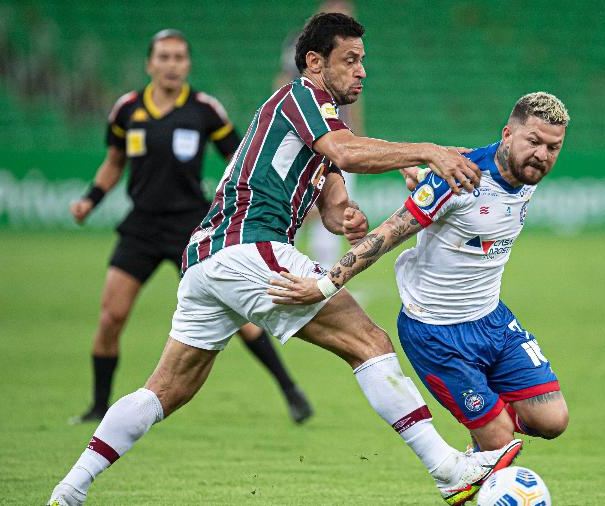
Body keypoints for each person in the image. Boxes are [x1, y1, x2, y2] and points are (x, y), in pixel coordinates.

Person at [48, 13, 520, 506]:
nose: (362, 72)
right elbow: (348, 151)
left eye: (364, 61)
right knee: (369, 341)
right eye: (351, 60)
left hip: (207, 260)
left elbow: (336, 207)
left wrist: (348, 219)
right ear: (315, 62)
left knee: (167, 389)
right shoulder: (301, 97)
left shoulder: (319, 127)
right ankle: (449, 470)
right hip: (249, 246)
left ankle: (70, 489)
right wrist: (429, 151)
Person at [268, 92, 570, 453]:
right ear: (507, 134)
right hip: (436, 333)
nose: (542, 155)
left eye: (553, 148)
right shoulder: (461, 179)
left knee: (553, 420)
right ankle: (488, 434)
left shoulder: (525, 173)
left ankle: (487, 423)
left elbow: (457, 155)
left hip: (491, 320)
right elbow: (388, 233)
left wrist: (413, 167)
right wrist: (324, 284)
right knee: (502, 442)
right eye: (533, 141)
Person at [68, 29, 313, 425]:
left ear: (188, 65)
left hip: (193, 229)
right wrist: (90, 200)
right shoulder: (127, 110)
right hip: (142, 227)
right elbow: (114, 162)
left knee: (241, 320)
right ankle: (98, 407)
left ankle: (291, 391)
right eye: (163, 57)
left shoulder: (204, 110)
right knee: (111, 316)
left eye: (179, 57)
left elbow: (242, 157)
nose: (171, 64)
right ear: (150, 63)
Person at [274, 0, 363, 268]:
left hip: (336, 134)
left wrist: (354, 134)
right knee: (291, 209)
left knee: (338, 209)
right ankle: (281, 266)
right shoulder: (300, 44)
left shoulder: (348, 56)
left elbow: (355, 100)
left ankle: (325, 276)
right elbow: (283, 81)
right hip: (308, 135)